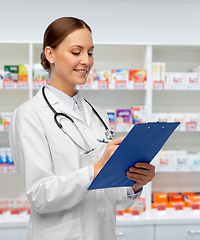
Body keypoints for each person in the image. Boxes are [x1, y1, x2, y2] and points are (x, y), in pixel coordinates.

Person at [9, 17, 155, 240]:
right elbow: (40, 196)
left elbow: (111, 195)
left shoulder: (98, 114)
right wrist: (95, 169)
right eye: (76, 52)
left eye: (90, 52)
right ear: (50, 54)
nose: (86, 60)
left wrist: (134, 182)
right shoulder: (29, 115)